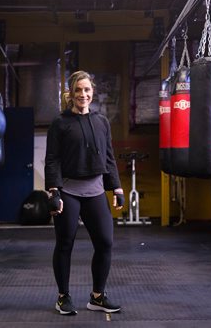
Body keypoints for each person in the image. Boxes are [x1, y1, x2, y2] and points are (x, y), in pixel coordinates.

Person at [44, 70, 125, 315]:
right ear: (70, 93)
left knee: (105, 242)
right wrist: (53, 191)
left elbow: (108, 156)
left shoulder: (102, 122)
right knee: (65, 243)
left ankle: (97, 296)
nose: (83, 94)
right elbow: (52, 160)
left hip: (96, 189)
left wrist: (117, 186)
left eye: (87, 90)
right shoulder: (60, 123)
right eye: (78, 90)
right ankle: (63, 296)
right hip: (68, 190)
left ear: (93, 92)